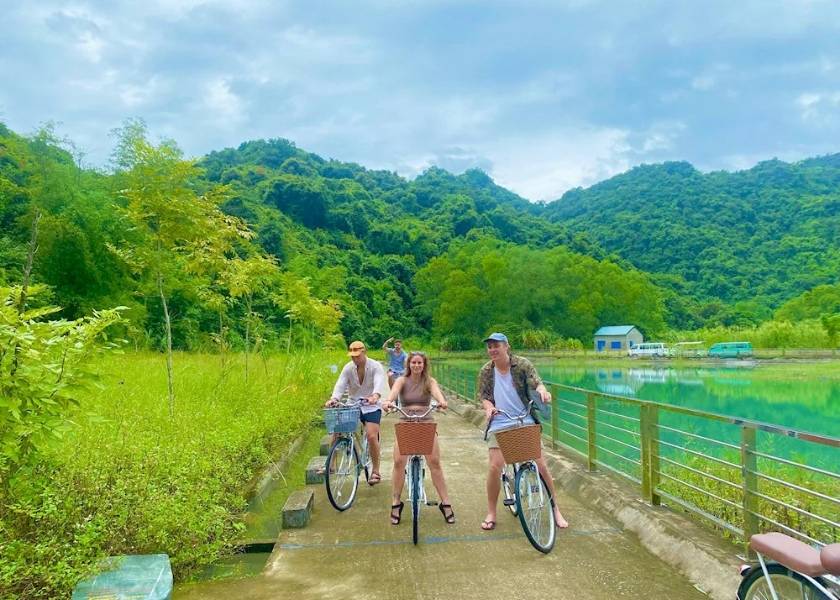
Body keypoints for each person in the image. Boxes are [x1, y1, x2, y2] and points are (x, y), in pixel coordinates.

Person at [477, 332, 569, 531]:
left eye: (496, 345)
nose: (492, 349)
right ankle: (491, 512)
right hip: (499, 420)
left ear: (506, 346)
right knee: (495, 466)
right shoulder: (486, 371)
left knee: (541, 464)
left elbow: (537, 382)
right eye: (490, 346)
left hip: (524, 418)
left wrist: (543, 392)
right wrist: (488, 408)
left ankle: (555, 509)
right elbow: (484, 396)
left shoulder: (522, 365)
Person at [381, 351, 455, 525]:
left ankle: (445, 503)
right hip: (406, 421)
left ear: (424, 365)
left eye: (419, 363)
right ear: (409, 364)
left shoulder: (429, 381)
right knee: (399, 462)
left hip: (425, 421)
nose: (416, 365)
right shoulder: (401, 381)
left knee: (434, 462)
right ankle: (396, 502)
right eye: (413, 362)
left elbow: (437, 394)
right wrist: (388, 402)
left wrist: (442, 402)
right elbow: (393, 394)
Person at [326, 340, 389, 485]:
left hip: (371, 405)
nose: (354, 359)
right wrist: (334, 398)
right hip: (353, 404)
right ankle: (330, 465)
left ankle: (376, 471)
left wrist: (375, 396)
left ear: (364, 352)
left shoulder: (375, 366)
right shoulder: (348, 368)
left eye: (357, 356)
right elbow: (340, 384)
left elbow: (379, 382)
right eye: (352, 356)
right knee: (338, 431)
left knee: (372, 436)